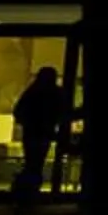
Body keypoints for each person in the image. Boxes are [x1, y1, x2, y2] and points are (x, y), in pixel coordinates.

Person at [10, 67, 71, 204]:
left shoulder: (33, 92)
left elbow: (18, 111)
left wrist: (29, 123)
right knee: (36, 163)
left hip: (32, 133)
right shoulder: (56, 93)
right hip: (44, 134)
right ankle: (29, 192)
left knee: (32, 163)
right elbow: (64, 112)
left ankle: (25, 192)